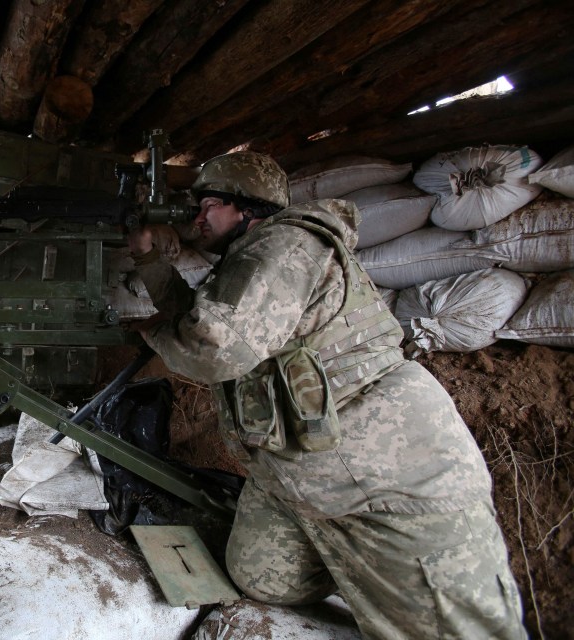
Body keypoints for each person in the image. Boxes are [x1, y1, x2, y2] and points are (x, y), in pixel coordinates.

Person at [127, 151, 526, 639]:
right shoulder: (252, 261)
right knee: (261, 578)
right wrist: (150, 258)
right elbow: (208, 320)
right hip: (301, 474)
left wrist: (150, 332)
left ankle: (385, 579)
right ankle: (356, 570)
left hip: (390, 474)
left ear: (247, 208)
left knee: (459, 627)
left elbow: (215, 348)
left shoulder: (287, 245)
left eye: (210, 204)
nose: (198, 217)